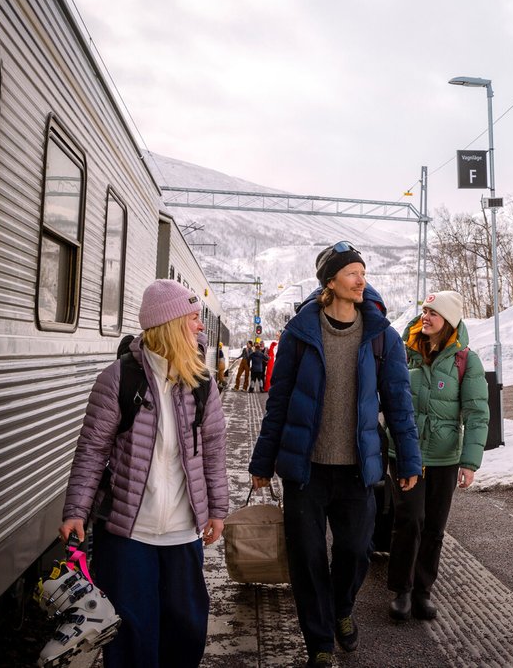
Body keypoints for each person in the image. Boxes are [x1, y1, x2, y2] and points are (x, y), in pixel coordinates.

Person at [248, 242, 421, 668]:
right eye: (352, 273)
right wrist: (262, 461)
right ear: (330, 281)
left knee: (356, 551)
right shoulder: (300, 334)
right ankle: (320, 641)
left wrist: (409, 459)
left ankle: (342, 607)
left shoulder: (381, 337)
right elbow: (279, 402)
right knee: (307, 559)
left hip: (357, 471)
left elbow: (399, 403)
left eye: (363, 272)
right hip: (306, 471)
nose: (362, 280)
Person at [59, 279, 228, 668]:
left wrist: (218, 509)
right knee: (132, 636)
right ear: (170, 324)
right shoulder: (119, 379)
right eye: (192, 318)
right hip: (128, 534)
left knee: (186, 630)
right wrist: (76, 511)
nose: (199, 326)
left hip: (183, 533)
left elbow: (214, 450)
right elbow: (92, 450)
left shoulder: (202, 383)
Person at [386, 291, 489, 622]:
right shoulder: (404, 352)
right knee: (409, 519)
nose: (425, 317)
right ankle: (402, 589)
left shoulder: (466, 361)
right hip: (406, 452)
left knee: (434, 527)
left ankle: (423, 591)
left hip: (444, 458)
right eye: (424, 310)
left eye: (433, 312)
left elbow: (477, 414)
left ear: (449, 321)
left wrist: (469, 462)